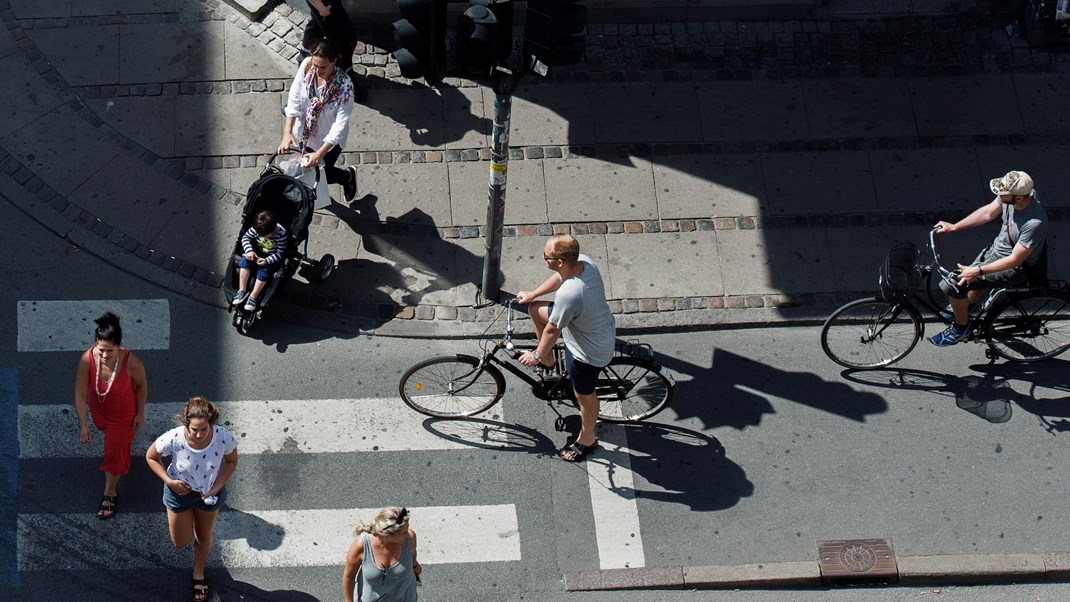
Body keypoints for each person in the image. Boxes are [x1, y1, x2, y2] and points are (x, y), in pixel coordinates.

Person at [515, 234, 617, 462]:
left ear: (559, 261)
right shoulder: (584, 262)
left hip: (587, 351)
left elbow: (553, 330)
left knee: (585, 397)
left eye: (546, 257)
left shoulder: (570, 294)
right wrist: (533, 294)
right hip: (593, 326)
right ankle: (549, 362)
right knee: (535, 308)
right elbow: (559, 278)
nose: (544, 260)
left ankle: (588, 438)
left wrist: (535, 354)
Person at [930, 170, 1048, 346]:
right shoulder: (1015, 195)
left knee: (952, 285)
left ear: (1019, 198)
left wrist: (978, 271)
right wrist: (954, 227)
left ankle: (961, 327)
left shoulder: (1034, 223)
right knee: (973, 280)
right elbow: (987, 213)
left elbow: (1015, 260)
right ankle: (969, 305)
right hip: (996, 251)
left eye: (1003, 193)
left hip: (1013, 267)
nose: (1000, 195)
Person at [146, 396, 239, 602]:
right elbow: (151, 456)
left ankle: (199, 573)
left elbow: (232, 461)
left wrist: (217, 487)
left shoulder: (223, 437)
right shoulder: (174, 438)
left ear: (211, 424)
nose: (198, 434)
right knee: (180, 542)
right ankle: (180, 519)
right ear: (185, 424)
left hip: (209, 495)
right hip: (179, 493)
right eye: (193, 429)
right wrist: (170, 483)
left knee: (203, 534)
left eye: (203, 429)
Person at [74, 312, 148, 520]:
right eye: (101, 349)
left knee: (114, 458)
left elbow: (141, 386)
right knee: (114, 449)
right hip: (100, 413)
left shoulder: (131, 362)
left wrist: (140, 413)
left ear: (120, 346)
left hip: (123, 417)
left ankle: (110, 492)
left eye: (110, 351)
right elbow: (79, 393)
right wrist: (84, 424)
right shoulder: (87, 359)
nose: (104, 355)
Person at [280, 38, 359, 204]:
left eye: (323, 67)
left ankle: (347, 177)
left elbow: (339, 124)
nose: (317, 70)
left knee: (324, 173)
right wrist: (287, 133)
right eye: (316, 65)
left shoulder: (345, 88)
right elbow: (294, 97)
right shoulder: (308, 65)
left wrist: (320, 154)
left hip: (327, 140)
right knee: (305, 168)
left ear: (334, 61)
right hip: (304, 133)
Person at [343, 506, 421, 602]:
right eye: (403, 533)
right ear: (388, 534)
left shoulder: (409, 538)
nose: (407, 534)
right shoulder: (362, 545)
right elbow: (349, 577)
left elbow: (412, 558)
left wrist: (416, 567)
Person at [300, 0, 368, 101]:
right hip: (325, 4)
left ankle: (305, 56)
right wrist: (322, 8)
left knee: (316, 25)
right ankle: (347, 83)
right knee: (346, 41)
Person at [231, 209, 287, 312]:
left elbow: (280, 253)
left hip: (270, 256)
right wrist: (249, 251)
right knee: (244, 262)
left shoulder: (281, 234)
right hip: (256, 252)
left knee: (264, 272)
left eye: (264, 236)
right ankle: (242, 290)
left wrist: (267, 260)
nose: (261, 236)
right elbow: (245, 238)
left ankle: (253, 296)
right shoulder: (256, 228)